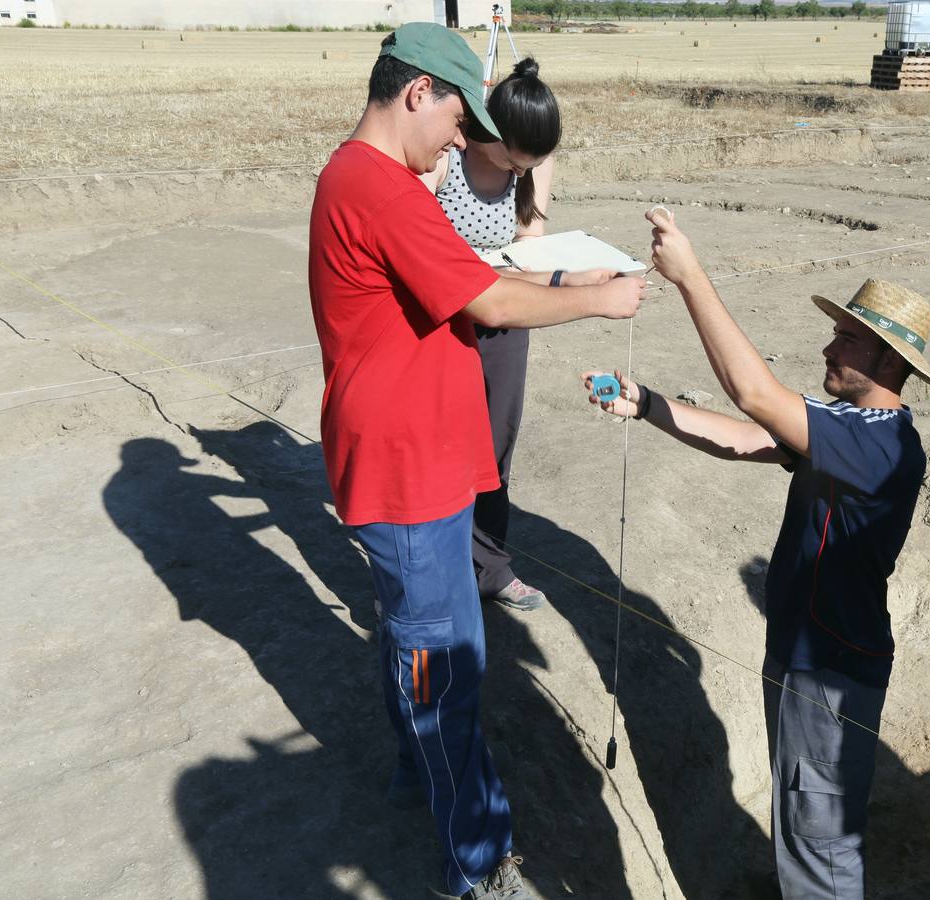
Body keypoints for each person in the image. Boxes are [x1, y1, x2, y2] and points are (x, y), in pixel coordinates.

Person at [307, 23, 643, 900]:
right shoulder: (378, 188)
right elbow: (486, 299)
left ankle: (420, 776)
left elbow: (463, 277)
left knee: (421, 645)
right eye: (459, 122)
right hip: (405, 472)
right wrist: (602, 301)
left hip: (420, 462)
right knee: (443, 669)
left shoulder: (379, 181)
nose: (463, 144)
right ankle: (480, 865)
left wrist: (565, 282)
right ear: (418, 91)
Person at [583, 211, 930, 899]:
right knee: (804, 825)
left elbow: (753, 395)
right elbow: (747, 437)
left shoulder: (879, 446)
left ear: (888, 362)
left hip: (829, 673)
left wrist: (690, 277)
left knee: (821, 846)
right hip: (806, 658)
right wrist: (647, 404)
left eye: (847, 338)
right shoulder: (853, 426)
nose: (828, 346)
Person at [419, 57, 589, 613]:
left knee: (495, 450)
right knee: (436, 450)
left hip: (506, 318)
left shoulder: (533, 165)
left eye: (533, 163)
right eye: (517, 159)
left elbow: (529, 247)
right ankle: (423, 580)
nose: (523, 171)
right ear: (491, 131)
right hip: (443, 323)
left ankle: (490, 569)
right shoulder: (446, 157)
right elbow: (418, 244)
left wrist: (564, 276)